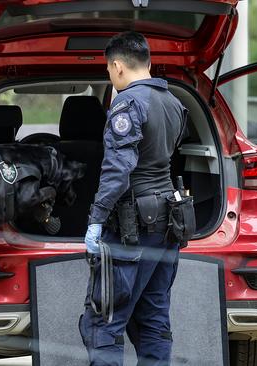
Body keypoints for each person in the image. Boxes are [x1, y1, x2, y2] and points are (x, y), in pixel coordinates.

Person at [79, 31, 188, 366]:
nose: (110, 77)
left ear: (118, 66)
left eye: (109, 71)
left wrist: (96, 220)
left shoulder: (127, 104)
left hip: (132, 228)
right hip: (168, 224)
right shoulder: (175, 103)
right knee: (154, 319)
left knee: (104, 322)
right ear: (149, 62)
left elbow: (118, 170)